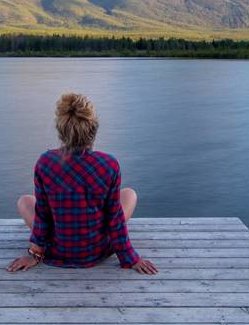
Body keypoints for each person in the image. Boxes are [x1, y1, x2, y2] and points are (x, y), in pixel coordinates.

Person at [8, 93, 159, 275]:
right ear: (93, 129)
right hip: (96, 251)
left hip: (57, 249)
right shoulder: (109, 164)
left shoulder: (45, 162)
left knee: (25, 201)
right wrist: (130, 258)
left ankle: (48, 246)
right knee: (129, 194)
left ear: (61, 130)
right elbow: (115, 218)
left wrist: (35, 254)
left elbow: (43, 215)